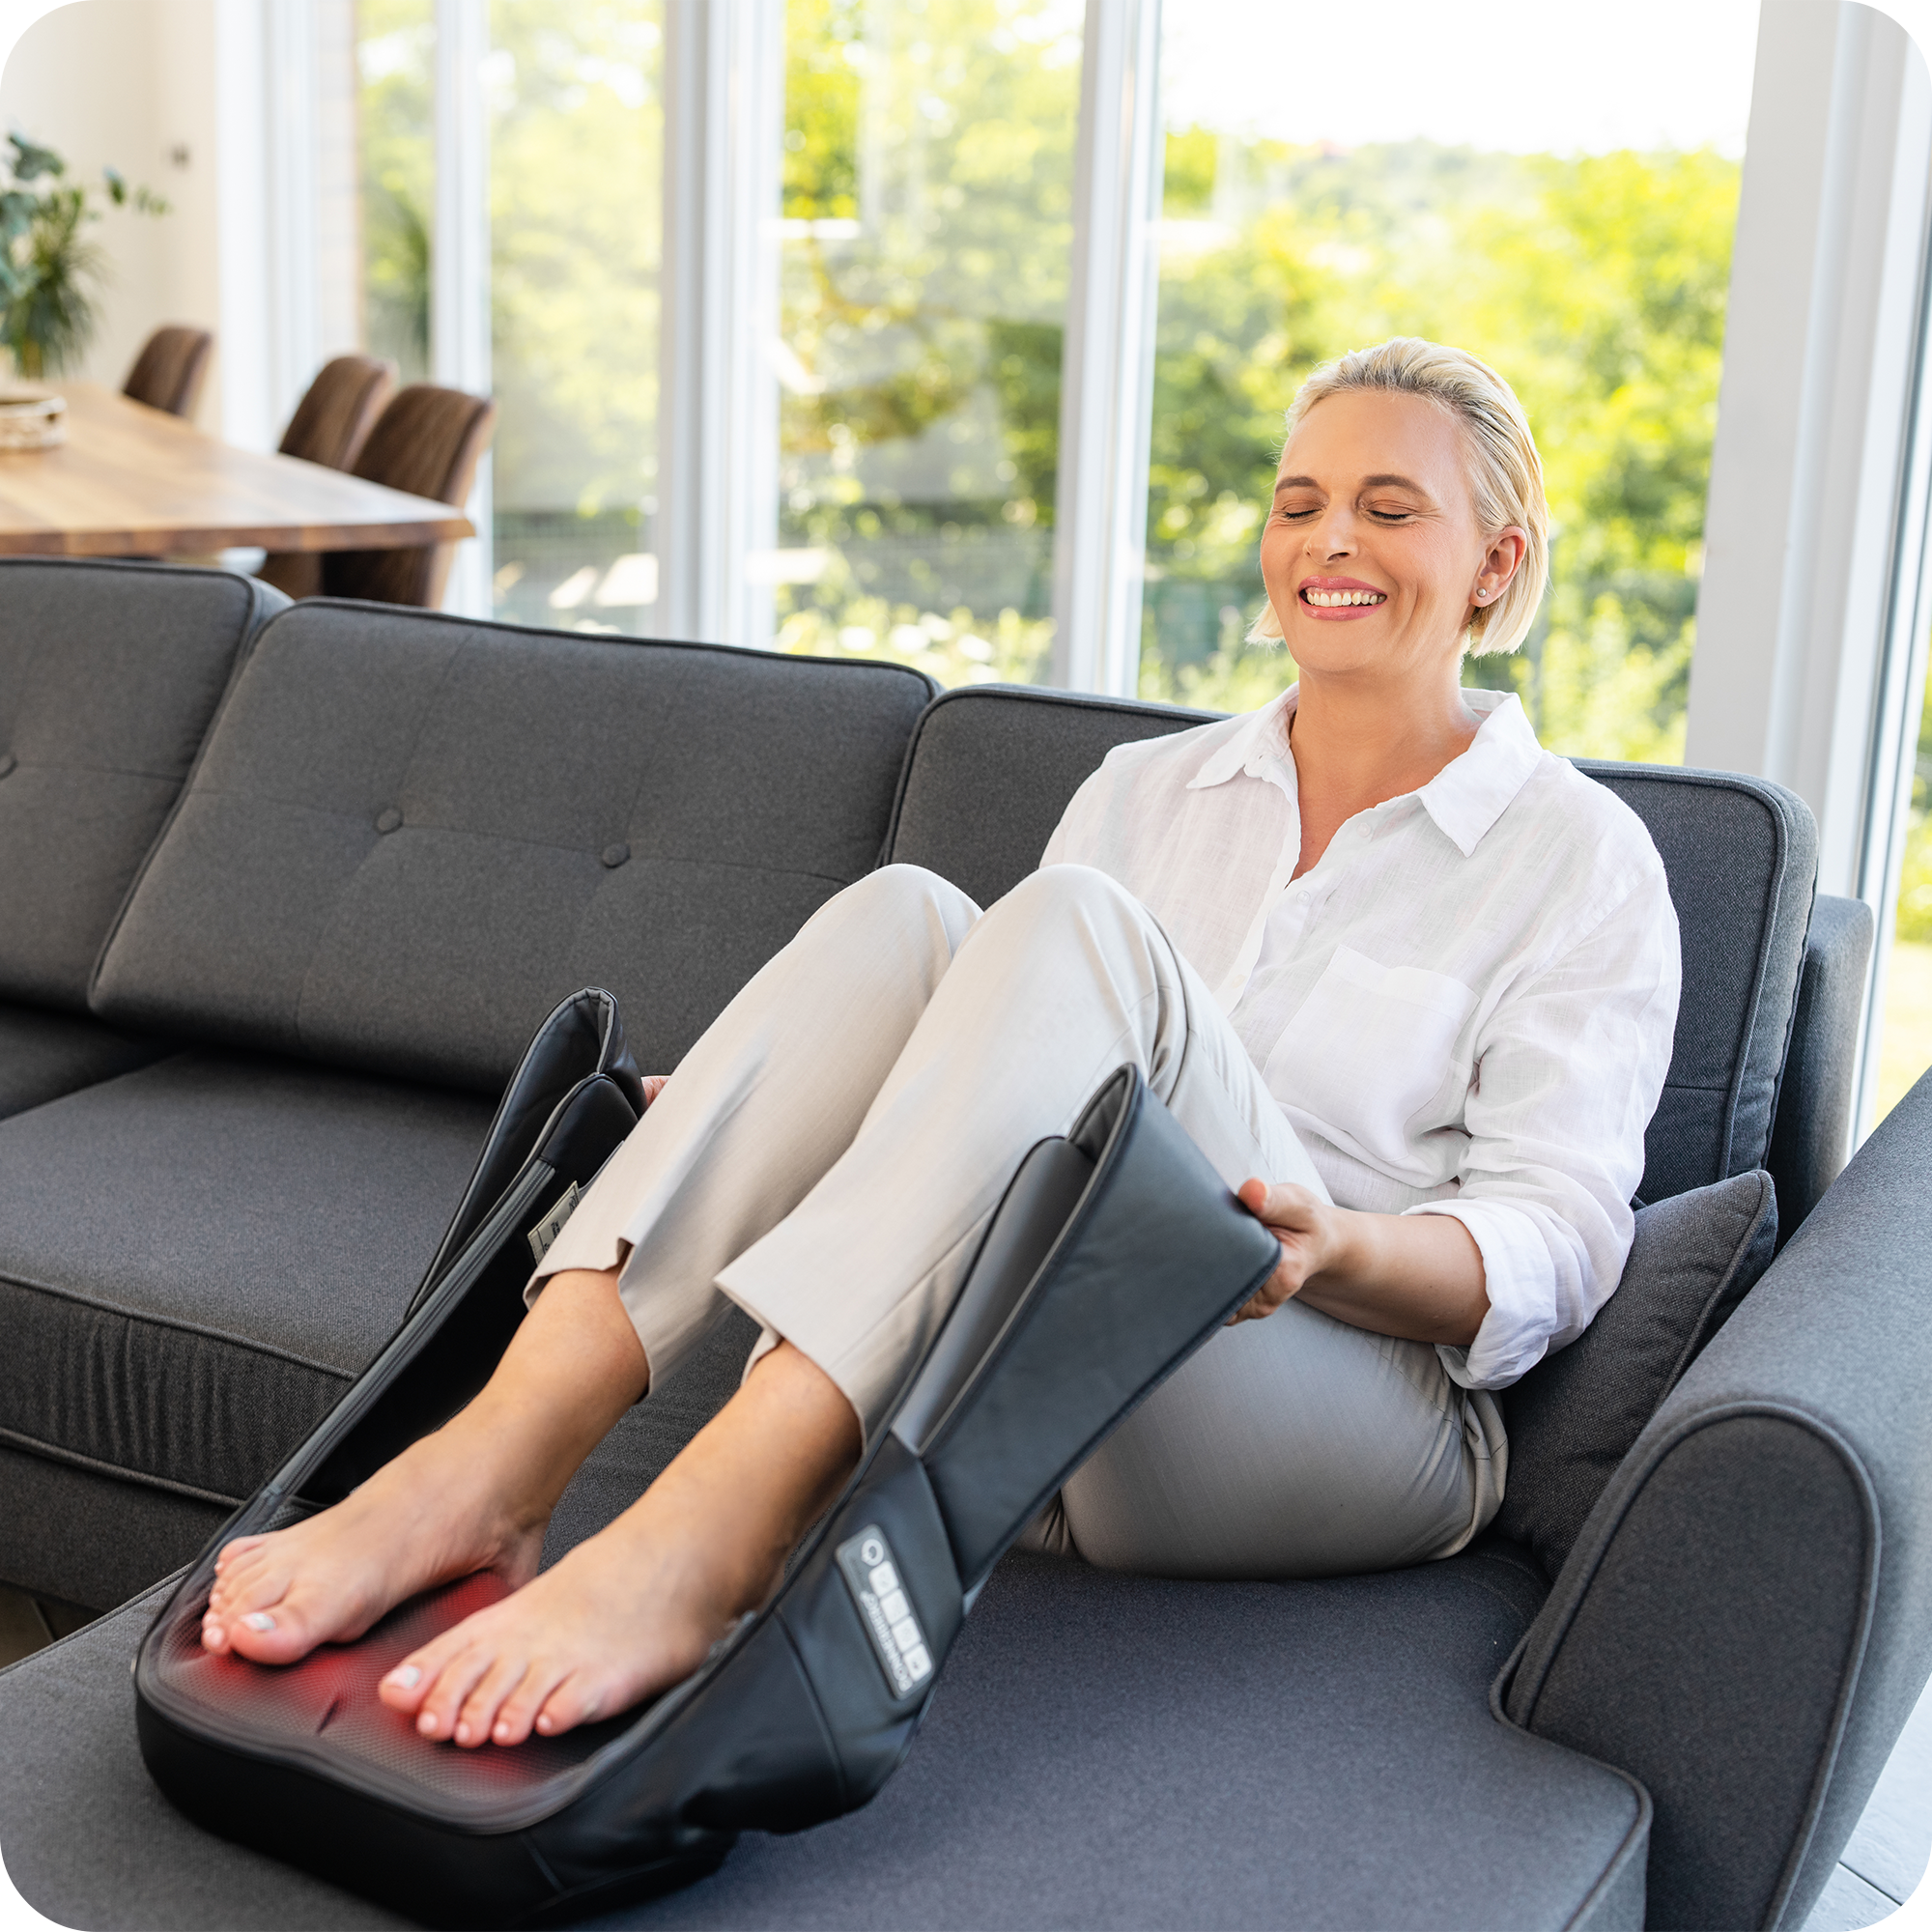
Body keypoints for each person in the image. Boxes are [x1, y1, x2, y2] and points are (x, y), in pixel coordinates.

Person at [199, 337, 1679, 1756]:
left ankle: (717, 1535)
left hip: (1335, 1403)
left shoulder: (1578, 860)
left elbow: (1555, 1236)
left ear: (1498, 561)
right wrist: (780, 1109)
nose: (1328, 540)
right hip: (1036, 1366)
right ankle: (498, 1456)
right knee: (911, 917)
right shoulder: (1146, 790)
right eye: (1299, 504)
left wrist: (1338, 1248)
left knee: (1075, 929)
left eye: (1388, 507)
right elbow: (1004, 1099)